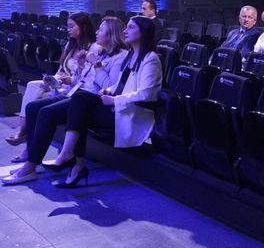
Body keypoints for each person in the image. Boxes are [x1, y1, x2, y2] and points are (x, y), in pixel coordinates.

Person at [6, 16, 162, 188]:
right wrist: (108, 90)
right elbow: (117, 85)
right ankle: (68, 161)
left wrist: (113, 96)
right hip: (102, 101)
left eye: (131, 27)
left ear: (143, 32)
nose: (125, 30)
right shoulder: (131, 55)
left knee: (70, 106)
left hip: (130, 114)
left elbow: (146, 93)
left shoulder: (149, 58)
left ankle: (59, 160)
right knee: (48, 106)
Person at [5, 12, 97, 151]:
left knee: (37, 102)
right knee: (32, 85)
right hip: (61, 82)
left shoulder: (92, 48)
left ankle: (25, 138)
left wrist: (70, 80)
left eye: (71, 26)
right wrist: (53, 79)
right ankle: (22, 130)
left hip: (74, 88)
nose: (68, 29)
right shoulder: (70, 45)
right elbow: (61, 69)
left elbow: (86, 77)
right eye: (68, 26)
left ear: (83, 27)